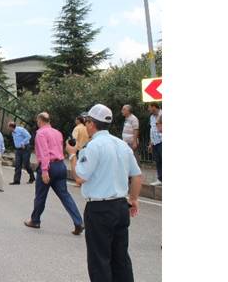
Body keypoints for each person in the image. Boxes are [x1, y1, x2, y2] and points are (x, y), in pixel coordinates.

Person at [65, 103, 142, 282]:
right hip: (121, 206)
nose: (86, 125)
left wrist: (72, 155)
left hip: (99, 209)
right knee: (121, 258)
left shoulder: (93, 147)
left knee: (99, 260)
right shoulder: (122, 145)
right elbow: (137, 176)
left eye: (86, 122)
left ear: (92, 123)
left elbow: (79, 178)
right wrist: (133, 199)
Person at [23, 112, 84, 235]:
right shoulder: (57, 133)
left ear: (40, 120)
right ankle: (78, 222)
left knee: (40, 196)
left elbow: (44, 153)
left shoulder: (40, 133)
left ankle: (35, 221)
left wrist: (44, 170)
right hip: (60, 165)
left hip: (48, 166)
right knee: (65, 195)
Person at [147, 103, 162, 185]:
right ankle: (160, 179)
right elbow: (152, 130)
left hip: (162, 141)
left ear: (154, 107)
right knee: (158, 161)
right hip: (155, 142)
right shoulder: (151, 117)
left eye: (149, 108)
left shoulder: (162, 114)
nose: (148, 109)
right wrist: (150, 143)